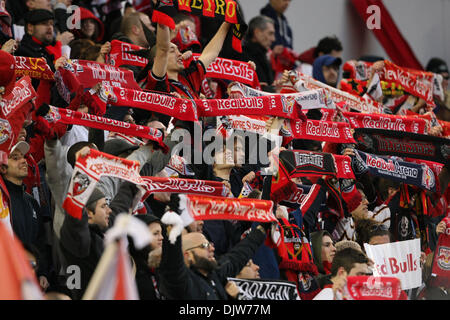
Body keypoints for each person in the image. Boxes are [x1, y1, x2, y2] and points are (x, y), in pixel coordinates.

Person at [158, 215, 270, 300]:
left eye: (210, 244)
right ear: (188, 255)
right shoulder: (181, 283)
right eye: (205, 246)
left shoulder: (214, 274)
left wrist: (262, 228)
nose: (212, 249)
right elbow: (172, 261)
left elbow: (239, 255)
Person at [1, 141, 50, 291]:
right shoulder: (2, 200)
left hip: (31, 277)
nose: (23, 161)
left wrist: (42, 272)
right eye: (15, 158)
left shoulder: (31, 201)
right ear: (2, 167)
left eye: (23, 157)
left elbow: (40, 241)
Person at [128, 214, 165, 300]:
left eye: (161, 233)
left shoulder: (161, 265)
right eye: (156, 234)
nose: (161, 238)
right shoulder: (129, 267)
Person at [241, 15, 276, 92]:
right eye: (270, 33)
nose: (273, 39)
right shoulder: (243, 56)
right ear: (257, 32)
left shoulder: (262, 55)